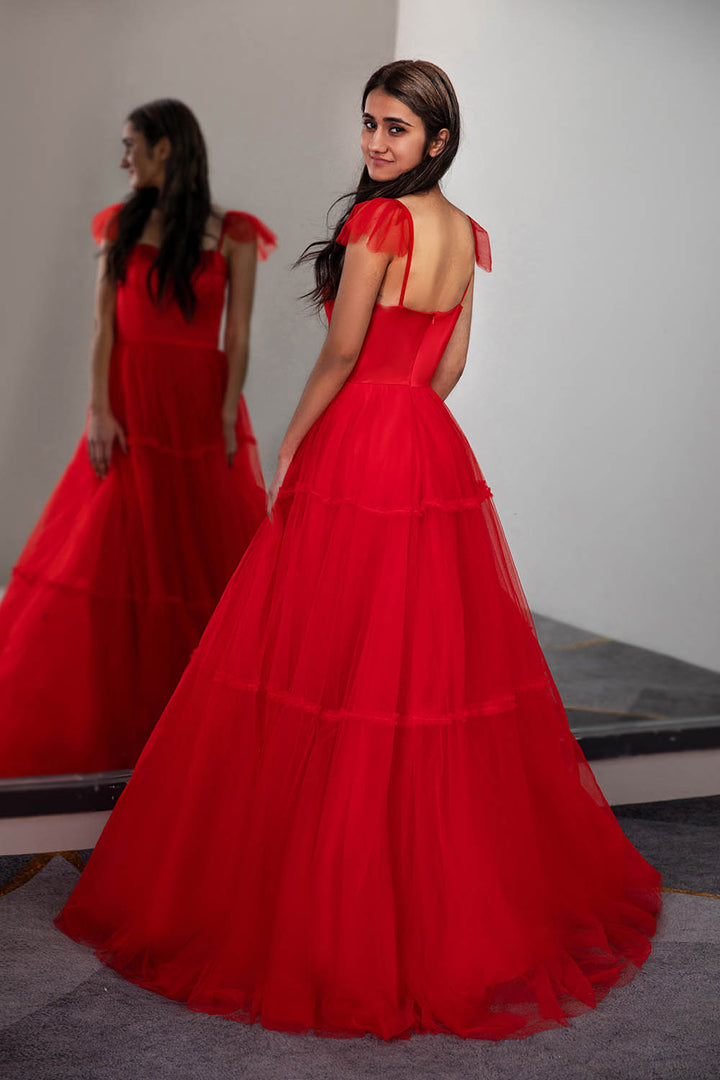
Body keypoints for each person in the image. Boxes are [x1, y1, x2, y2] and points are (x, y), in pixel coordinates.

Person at [56, 64, 661, 1040]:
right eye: (370, 123)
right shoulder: (469, 235)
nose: (376, 142)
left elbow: (340, 353)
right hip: (425, 442)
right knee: (417, 663)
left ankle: (326, 881)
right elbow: (451, 365)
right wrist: (405, 416)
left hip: (359, 445)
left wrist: (298, 443)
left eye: (396, 128)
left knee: (323, 654)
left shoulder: (379, 224)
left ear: (436, 139)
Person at [0, 99, 276, 777]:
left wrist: (225, 414)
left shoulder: (234, 234)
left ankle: (192, 738)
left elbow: (238, 334)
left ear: (165, 148)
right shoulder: (118, 224)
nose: (123, 159)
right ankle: (109, 730)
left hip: (199, 410)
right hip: (129, 405)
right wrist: (98, 410)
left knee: (196, 557)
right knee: (114, 554)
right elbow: (105, 326)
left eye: (131, 145)